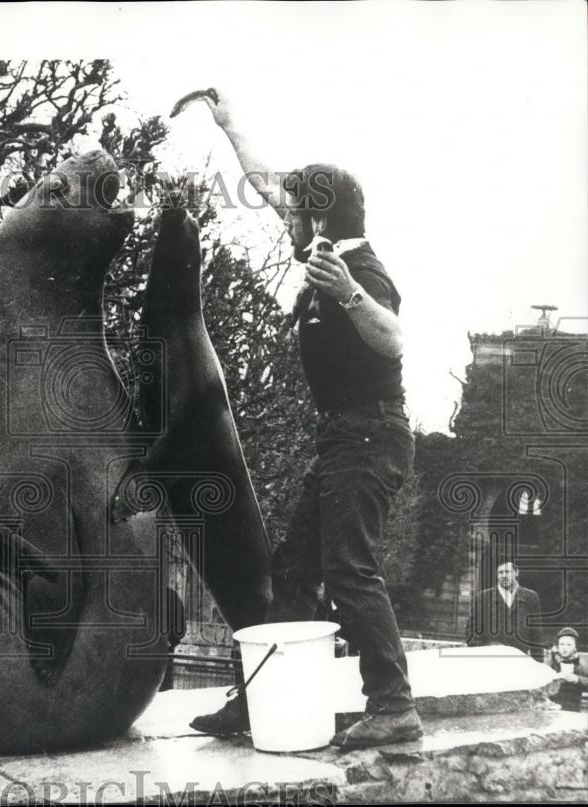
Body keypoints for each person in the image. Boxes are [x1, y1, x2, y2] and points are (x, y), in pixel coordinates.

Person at [188, 90, 422, 749]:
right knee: (293, 569)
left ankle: (394, 704)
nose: (280, 213)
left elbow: (395, 339)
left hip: (372, 435)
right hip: (343, 436)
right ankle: (260, 698)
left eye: (294, 209)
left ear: (317, 218)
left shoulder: (362, 269)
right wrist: (226, 118)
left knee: (348, 567)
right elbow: (266, 185)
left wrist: (347, 291)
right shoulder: (322, 248)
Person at [466, 560, 545, 658]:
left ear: (516, 572)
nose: (504, 575)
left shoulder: (530, 597)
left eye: (507, 572)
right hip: (491, 658)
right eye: (500, 572)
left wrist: (537, 661)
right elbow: (472, 630)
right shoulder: (483, 597)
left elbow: (536, 633)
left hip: (520, 658)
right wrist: (479, 654)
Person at [544, 627, 588, 712]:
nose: (565, 648)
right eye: (562, 644)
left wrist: (577, 679)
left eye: (569, 645)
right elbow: (541, 679)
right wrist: (555, 677)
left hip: (572, 705)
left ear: (575, 647)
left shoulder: (580, 663)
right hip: (552, 705)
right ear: (558, 646)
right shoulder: (551, 661)